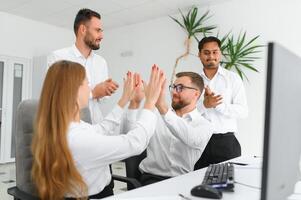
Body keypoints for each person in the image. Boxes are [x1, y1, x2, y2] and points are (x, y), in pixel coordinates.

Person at [31, 60, 166, 199]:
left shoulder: (66, 128)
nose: (90, 88)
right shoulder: (77, 139)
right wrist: (151, 102)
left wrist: (127, 99)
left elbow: (101, 129)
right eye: (87, 83)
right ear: (73, 91)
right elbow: (135, 143)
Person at [122, 71, 213, 185]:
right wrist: (134, 104)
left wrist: (162, 107)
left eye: (180, 88)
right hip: (151, 180)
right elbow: (128, 138)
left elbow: (192, 139)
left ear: (196, 93)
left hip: (183, 181)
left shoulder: (204, 124)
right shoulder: (155, 114)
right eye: (173, 87)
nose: (174, 92)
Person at [47, 8, 118, 124]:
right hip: (68, 129)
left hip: (96, 128)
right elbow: (55, 98)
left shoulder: (101, 62)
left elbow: (102, 100)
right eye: (98, 30)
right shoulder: (58, 58)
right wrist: (93, 93)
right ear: (83, 29)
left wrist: (106, 90)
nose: (102, 36)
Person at [195, 36, 248, 169]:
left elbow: (243, 111)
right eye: (206, 52)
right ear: (199, 55)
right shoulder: (192, 81)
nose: (211, 56)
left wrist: (218, 105)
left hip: (227, 143)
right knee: (196, 184)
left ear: (220, 53)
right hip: (199, 143)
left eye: (215, 52)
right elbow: (184, 113)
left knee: (228, 186)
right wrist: (204, 105)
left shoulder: (233, 79)